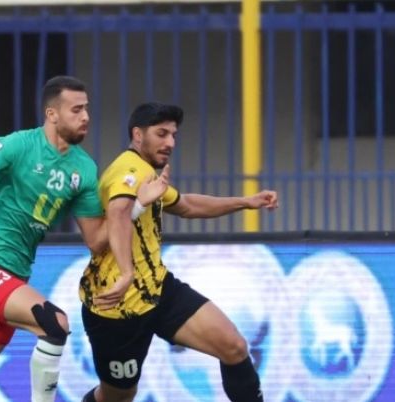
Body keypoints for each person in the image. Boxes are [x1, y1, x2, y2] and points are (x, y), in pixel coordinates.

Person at [0, 76, 166, 402]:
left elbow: (97, 240)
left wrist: (138, 205)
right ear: (52, 114)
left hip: (13, 277)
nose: (86, 117)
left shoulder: (84, 169)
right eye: (76, 110)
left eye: (86, 109)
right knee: (54, 324)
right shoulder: (19, 145)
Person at [79, 102, 278, 402]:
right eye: (161, 134)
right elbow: (118, 212)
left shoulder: (147, 173)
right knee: (118, 395)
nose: (170, 143)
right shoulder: (129, 170)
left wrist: (245, 202)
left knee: (234, 347)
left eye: (173, 135)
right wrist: (127, 273)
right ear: (137, 135)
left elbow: (186, 205)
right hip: (116, 306)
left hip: (158, 289)